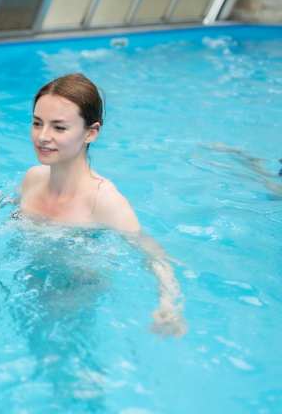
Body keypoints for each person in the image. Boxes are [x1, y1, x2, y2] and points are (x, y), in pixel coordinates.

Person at [12, 73, 186, 336]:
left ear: (91, 132)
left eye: (59, 128)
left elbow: (154, 256)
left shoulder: (104, 201)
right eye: (37, 123)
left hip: (74, 306)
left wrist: (168, 306)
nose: (42, 136)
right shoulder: (32, 179)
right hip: (26, 291)